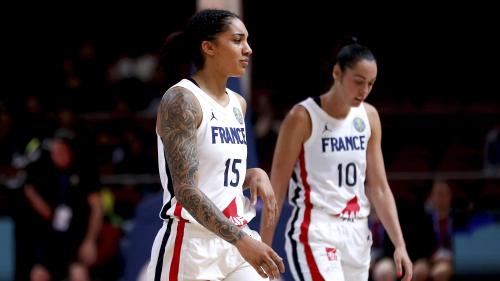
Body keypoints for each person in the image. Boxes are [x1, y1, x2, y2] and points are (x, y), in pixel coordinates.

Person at [146, 9, 285, 281]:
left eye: (247, 40)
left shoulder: (238, 103)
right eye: (237, 40)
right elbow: (185, 189)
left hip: (235, 239)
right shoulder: (182, 100)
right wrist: (242, 242)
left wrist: (252, 175)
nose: (248, 49)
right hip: (192, 246)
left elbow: (216, 178)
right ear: (208, 47)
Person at [260, 41, 413, 281]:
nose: (364, 90)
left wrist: (400, 244)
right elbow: (276, 190)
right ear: (337, 73)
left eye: (370, 83)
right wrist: (264, 250)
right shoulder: (302, 117)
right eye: (359, 81)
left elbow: (380, 188)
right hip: (316, 231)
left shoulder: (369, 116)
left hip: (357, 231)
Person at [23, 132, 102, 281]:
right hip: (52, 239)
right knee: (38, 275)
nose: (58, 156)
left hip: (77, 236)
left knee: (79, 275)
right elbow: (48, 213)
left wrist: (90, 241)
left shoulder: (84, 171)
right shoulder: (45, 173)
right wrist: (31, 193)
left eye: (62, 151)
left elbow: (97, 208)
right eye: (54, 152)